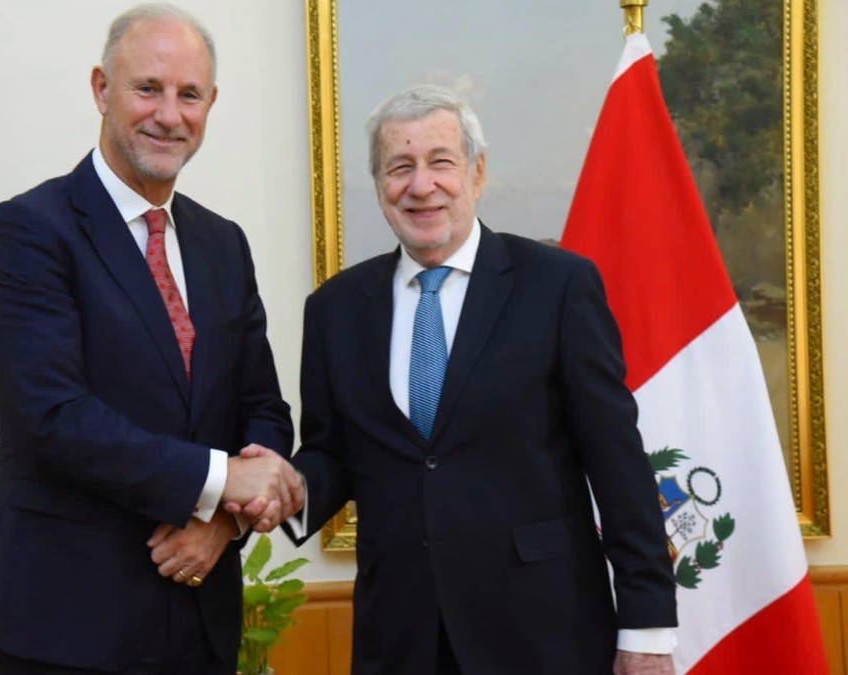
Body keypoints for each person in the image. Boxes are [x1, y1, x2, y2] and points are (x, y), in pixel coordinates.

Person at [273, 85, 678, 674]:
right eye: (399, 167)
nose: (421, 185)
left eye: (440, 162)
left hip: (544, 634)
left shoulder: (557, 286)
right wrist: (274, 491)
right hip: (400, 637)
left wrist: (647, 629)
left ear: (477, 171)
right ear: (379, 185)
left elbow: (618, 463)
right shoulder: (335, 309)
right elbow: (333, 456)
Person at [0, 4, 302, 673]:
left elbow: (263, 408)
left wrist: (223, 520)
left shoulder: (222, 244)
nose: (169, 114)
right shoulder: (30, 230)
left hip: (200, 622)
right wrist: (221, 477)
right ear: (100, 88)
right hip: (70, 624)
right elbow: (51, 419)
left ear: (210, 105)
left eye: (190, 95)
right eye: (148, 88)